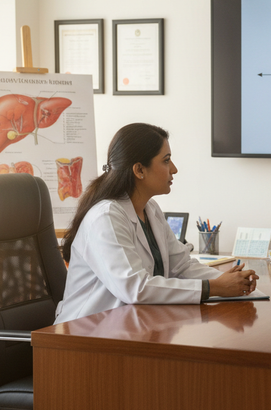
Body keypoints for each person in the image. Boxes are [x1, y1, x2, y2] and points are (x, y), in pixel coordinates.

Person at [54, 123, 257, 324]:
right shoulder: (105, 217)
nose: (174, 169)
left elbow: (181, 267)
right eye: (166, 161)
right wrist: (215, 287)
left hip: (131, 325)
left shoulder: (151, 209)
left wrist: (231, 281)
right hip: (85, 331)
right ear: (139, 170)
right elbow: (135, 288)